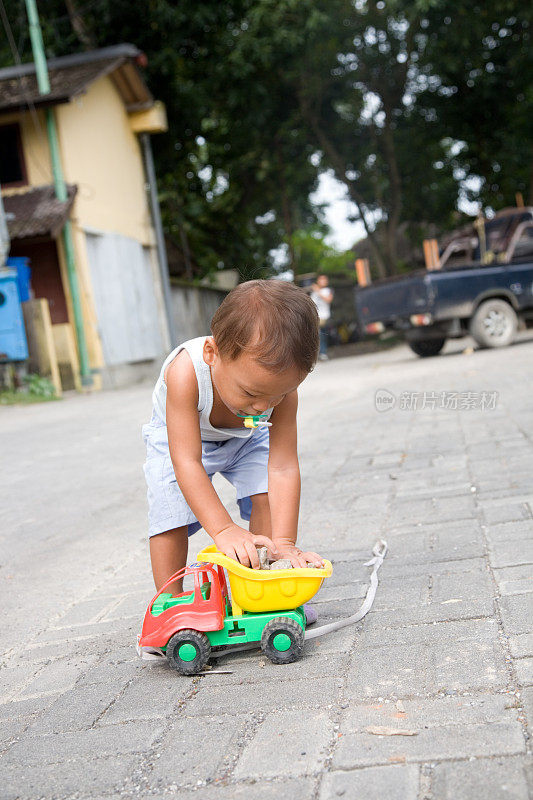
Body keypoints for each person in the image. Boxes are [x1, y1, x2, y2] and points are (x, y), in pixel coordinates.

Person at [142, 279, 325, 604]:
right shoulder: (185, 372)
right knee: (170, 513)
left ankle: (264, 582)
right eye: (252, 393)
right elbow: (186, 462)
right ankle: (169, 605)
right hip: (184, 441)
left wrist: (284, 541)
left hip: (247, 437)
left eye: (278, 395)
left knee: (267, 495)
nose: (264, 406)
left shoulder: (280, 396)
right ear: (213, 353)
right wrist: (224, 530)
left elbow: (282, 466)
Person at [310, 274, 333, 360]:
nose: (323, 281)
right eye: (321, 280)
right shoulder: (314, 291)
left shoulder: (328, 290)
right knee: (317, 335)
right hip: (315, 316)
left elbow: (328, 300)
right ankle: (319, 353)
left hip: (324, 316)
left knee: (320, 334)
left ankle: (322, 353)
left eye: (324, 280)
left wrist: (318, 291)